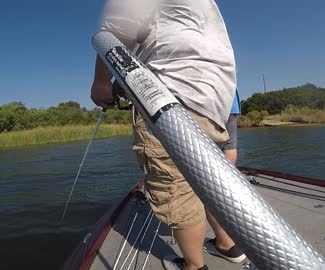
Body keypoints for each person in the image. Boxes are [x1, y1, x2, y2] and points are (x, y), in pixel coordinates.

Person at [91, 1, 236, 269]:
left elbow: (116, 28)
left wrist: (101, 82)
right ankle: (228, 245)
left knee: (176, 191)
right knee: (206, 182)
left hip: (167, 101)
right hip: (214, 103)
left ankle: (193, 266)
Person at [204, 90, 246, 263]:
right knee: (229, 150)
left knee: (205, 181)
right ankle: (234, 233)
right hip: (229, 100)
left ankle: (225, 243)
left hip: (202, 102)